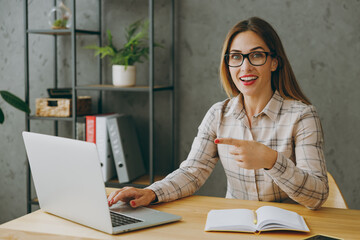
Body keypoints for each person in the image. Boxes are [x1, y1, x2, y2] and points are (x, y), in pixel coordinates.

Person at [108, 17, 329, 210]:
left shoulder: (302, 116)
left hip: (290, 229)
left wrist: (271, 160)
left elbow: (318, 196)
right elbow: (192, 172)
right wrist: (151, 192)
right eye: (236, 57)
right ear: (228, 64)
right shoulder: (218, 114)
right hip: (235, 226)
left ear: (274, 62)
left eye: (257, 55)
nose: (245, 67)